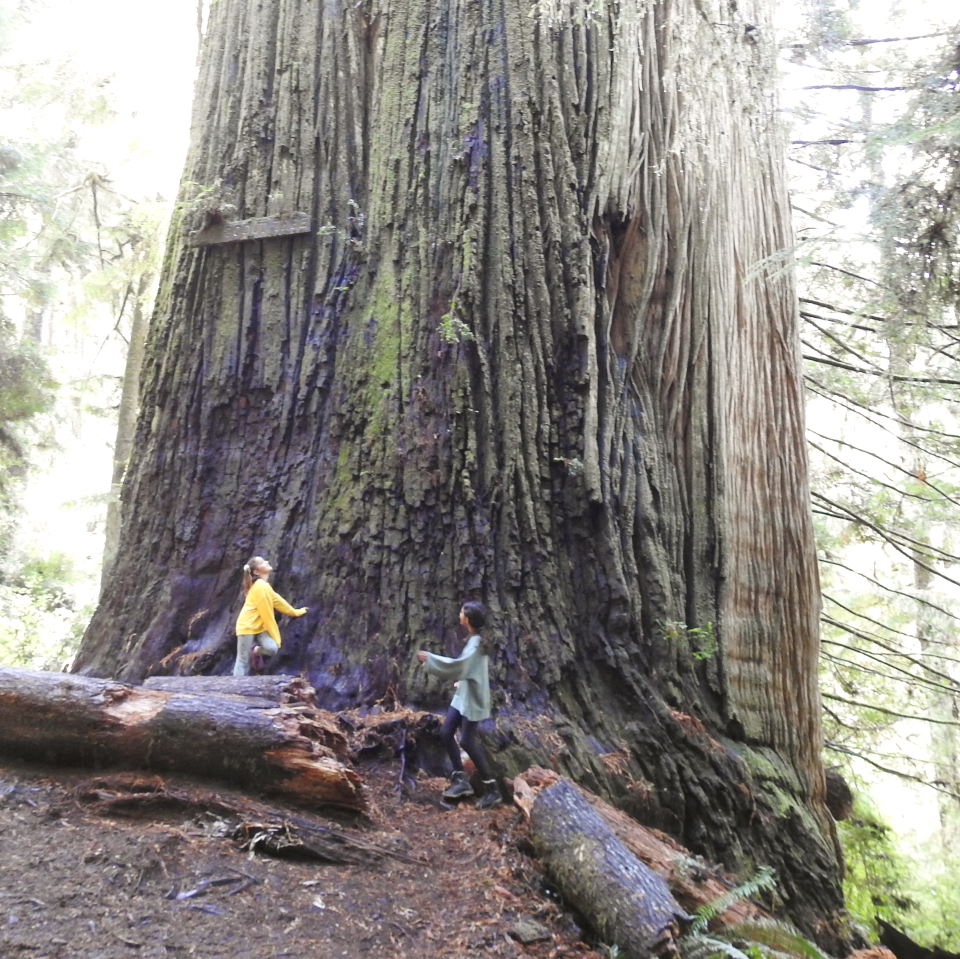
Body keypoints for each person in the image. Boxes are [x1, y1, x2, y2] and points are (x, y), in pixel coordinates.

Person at [417, 601, 502, 809]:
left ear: (468, 620)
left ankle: (493, 790)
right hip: (464, 692)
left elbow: (459, 666)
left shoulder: (476, 644)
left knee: (466, 740)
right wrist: (464, 678)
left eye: (462, 612)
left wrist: (430, 659)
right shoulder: (475, 639)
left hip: (472, 698)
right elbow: (469, 668)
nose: (459, 614)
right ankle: (460, 780)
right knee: (446, 732)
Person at [234, 556, 308, 676]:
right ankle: (235, 689)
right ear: (256, 572)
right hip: (247, 626)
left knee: (272, 649)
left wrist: (296, 612)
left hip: (260, 626)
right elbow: (266, 613)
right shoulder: (260, 586)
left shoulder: (264, 586)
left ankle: (256, 651)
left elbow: (278, 602)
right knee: (242, 660)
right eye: (262, 562)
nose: (267, 562)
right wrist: (275, 633)